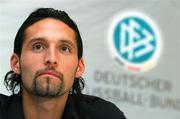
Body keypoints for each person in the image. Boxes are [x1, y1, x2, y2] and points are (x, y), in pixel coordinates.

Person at [0, 8, 126, 119]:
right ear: (16, 63)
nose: (51, 59)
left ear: (79, 67)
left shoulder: (106, 116)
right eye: (38, 46)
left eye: (64, 48)